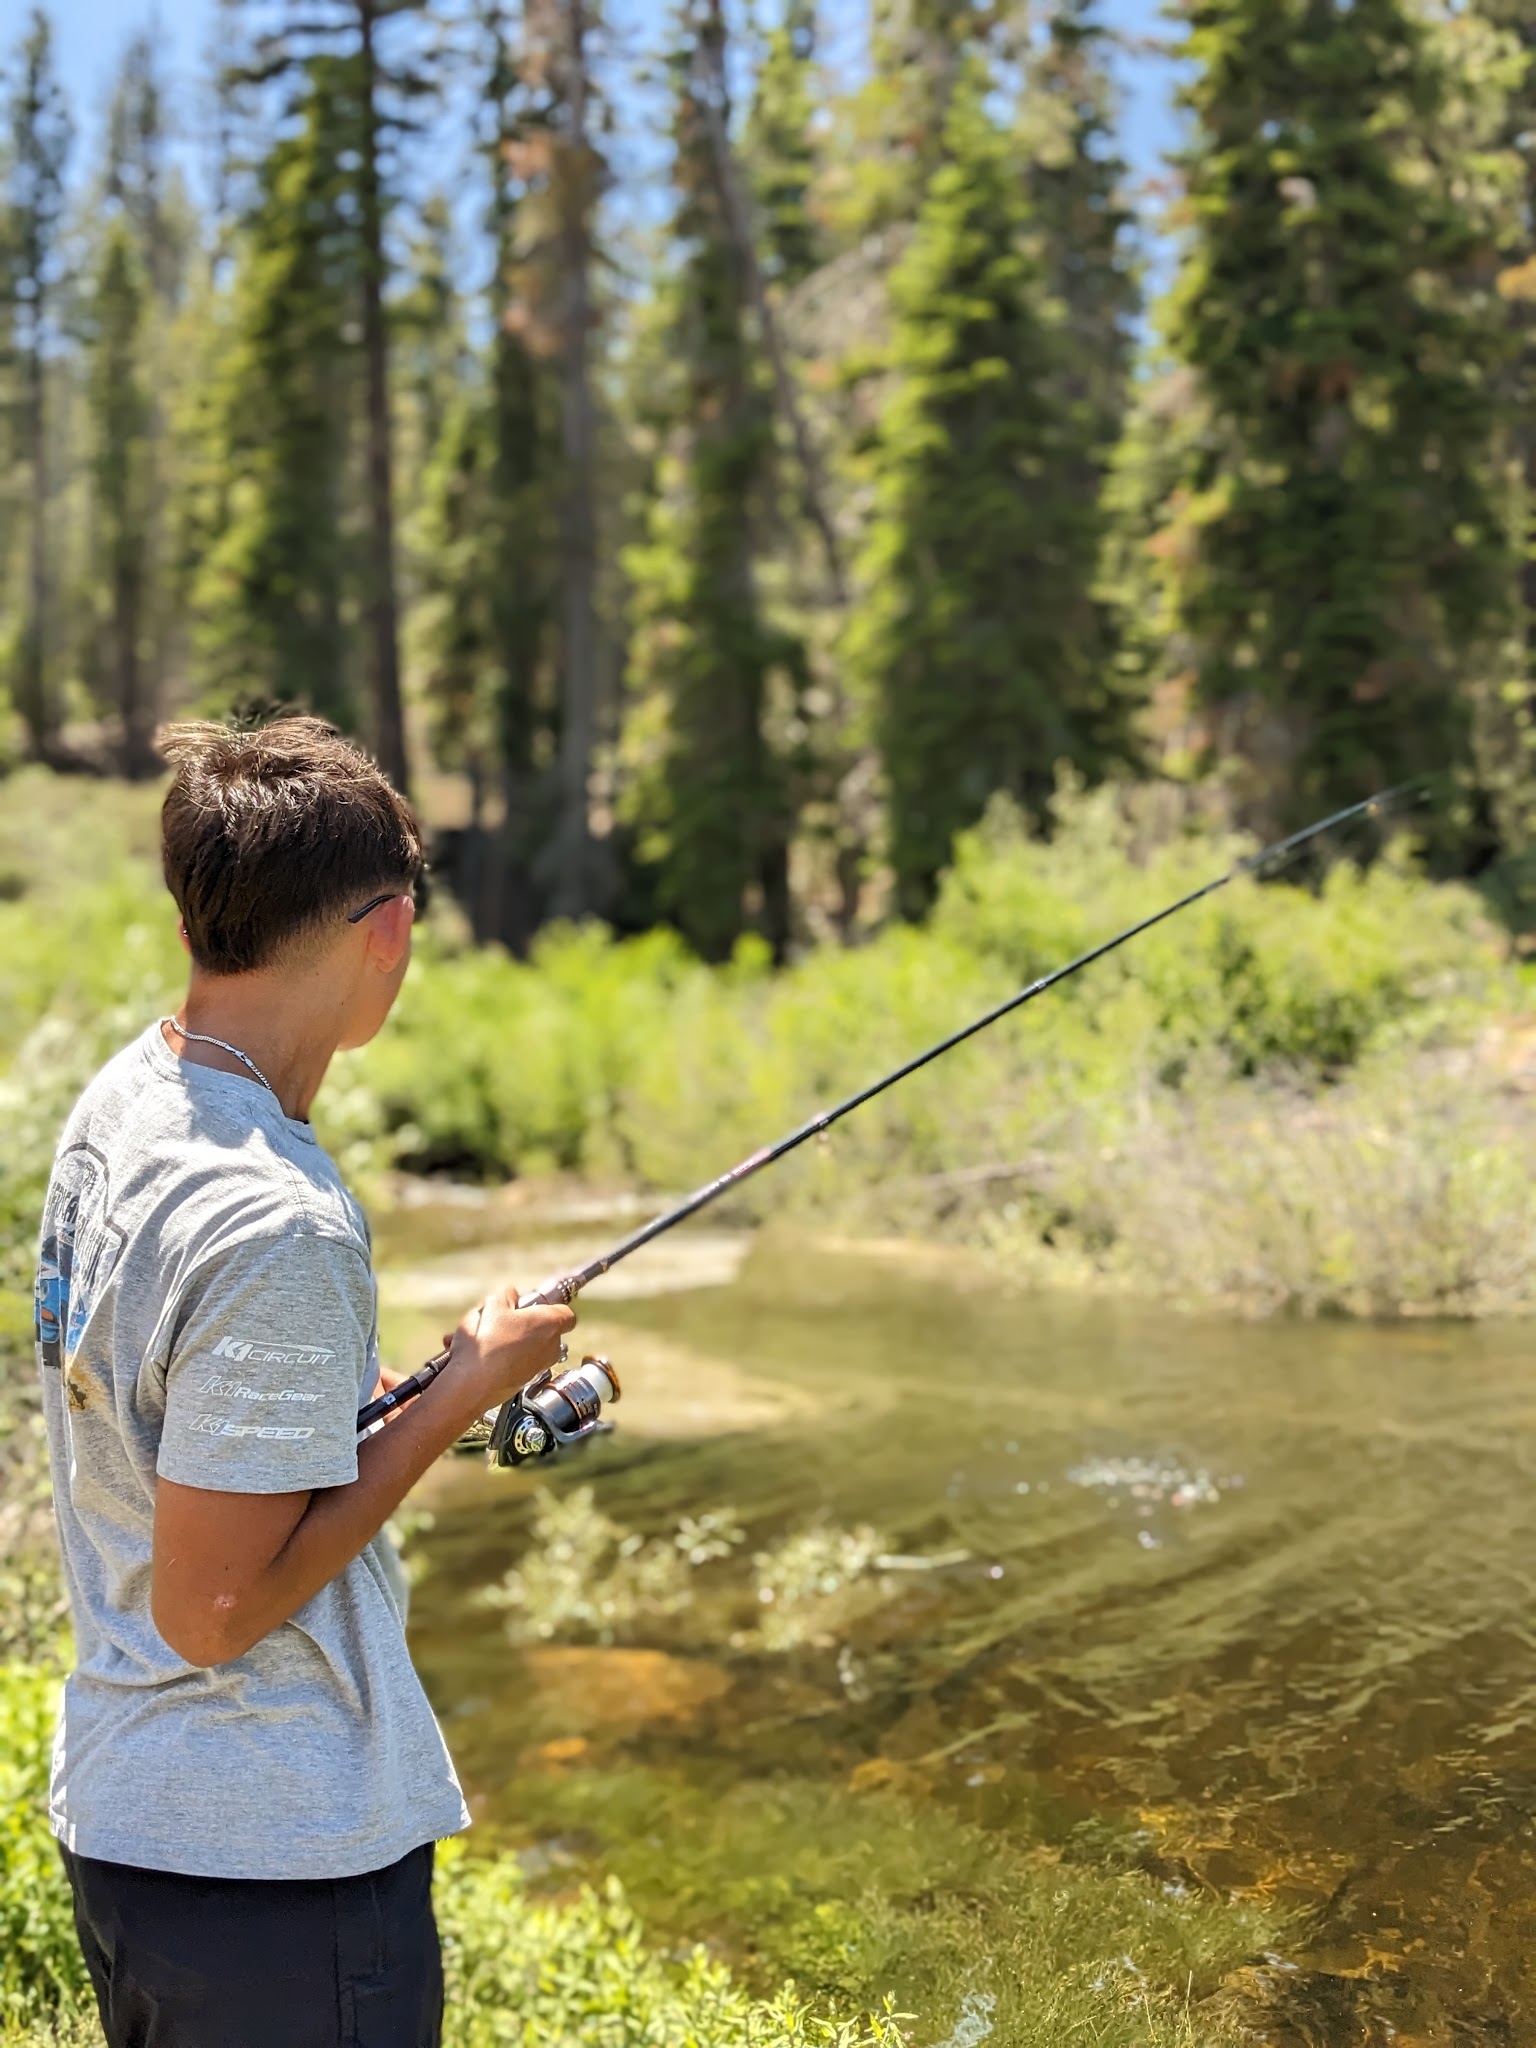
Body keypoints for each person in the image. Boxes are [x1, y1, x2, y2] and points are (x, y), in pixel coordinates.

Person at [33, 716, 575, 2048]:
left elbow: (156, 1400)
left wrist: (355, 1400)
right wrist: (457, 1397)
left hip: (139, 1835)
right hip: (271, 1876)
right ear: (385, 929)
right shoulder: (276, 1216)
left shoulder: (124, 1101)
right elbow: (212, 1611)